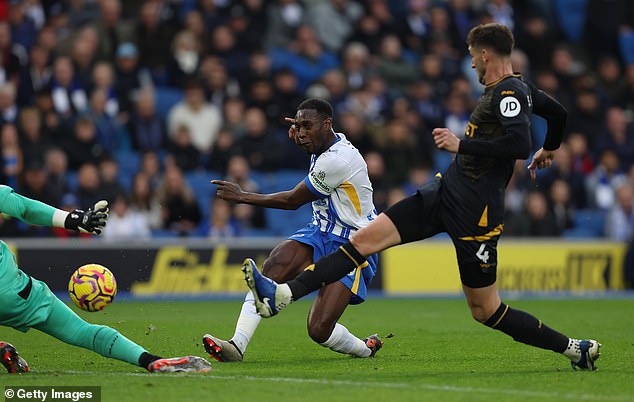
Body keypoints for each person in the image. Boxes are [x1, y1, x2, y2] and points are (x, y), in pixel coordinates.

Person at [242, 24, 602, 371]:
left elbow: (520, 144)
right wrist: (551, 147)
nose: (472, 63)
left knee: (486, 310)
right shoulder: (519, 89)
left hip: (476, 213)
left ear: (486, 53)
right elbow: (558, 113)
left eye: (473, 56)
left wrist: (463, 144)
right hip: (444, 191)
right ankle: (283, 295)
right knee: (365, 239)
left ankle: (574, 349)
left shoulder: (507, 93)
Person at [203, 98, 382, 362]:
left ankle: (365, 349)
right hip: (320, 231)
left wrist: (242, 196)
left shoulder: (339, 159)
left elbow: (292, 201)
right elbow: (314, 147)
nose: (301, 133)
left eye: (307, 126)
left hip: (354, 243)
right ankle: (237, 345)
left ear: (327, 124)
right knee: (274, 265)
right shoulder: (327, 142)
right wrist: (305, 135)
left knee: (318, 329)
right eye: (298, 127)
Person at [0, 185, 212, 373]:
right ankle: (150, 361)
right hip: (16, 293)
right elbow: (24, 208)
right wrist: (74, 219)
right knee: (82, 331)